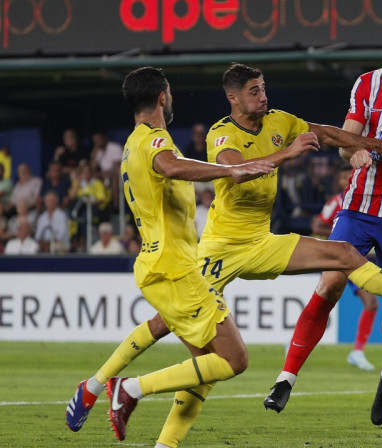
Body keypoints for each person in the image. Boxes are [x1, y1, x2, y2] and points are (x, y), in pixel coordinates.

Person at [66, 63, 382, 446]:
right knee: (180, 339)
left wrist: (374, 143)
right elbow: (237, 169)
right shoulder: (217, 133)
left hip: (260, 241)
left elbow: (324, 133)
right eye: (254, 91)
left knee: (343, 254)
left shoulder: (278, 120)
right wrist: (287, 155)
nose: (263, 96)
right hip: (219, 249)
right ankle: (104, 387)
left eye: (264, 88)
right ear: (233, 98)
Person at [63, 66, 275, 443]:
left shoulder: (132, 142)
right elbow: (172, 167)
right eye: (171, 93)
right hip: (174, 268)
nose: (172, 98)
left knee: (204, 367)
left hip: (162, 263)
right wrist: (232, 169)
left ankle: (150, 432)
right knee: (234, 359)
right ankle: (128, 389)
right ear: (163, 97)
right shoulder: (155, 140)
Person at [265, 29, 382, 427]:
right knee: (330, 284)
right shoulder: (368, 84)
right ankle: (286, 378)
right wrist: (352, 152)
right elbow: (345, 139)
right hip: (357, 209)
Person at [311, 165, 380, 372]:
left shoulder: (366, 200)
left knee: (371, 303)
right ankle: (296, 340)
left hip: (357, 259)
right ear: (340, 182)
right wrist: (339, 227)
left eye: (350, 174)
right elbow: (317, 226)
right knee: (322, 303)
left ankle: (357, 352)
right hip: (337, 259)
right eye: (343, 176)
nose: (348, 178)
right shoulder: (336, 202)